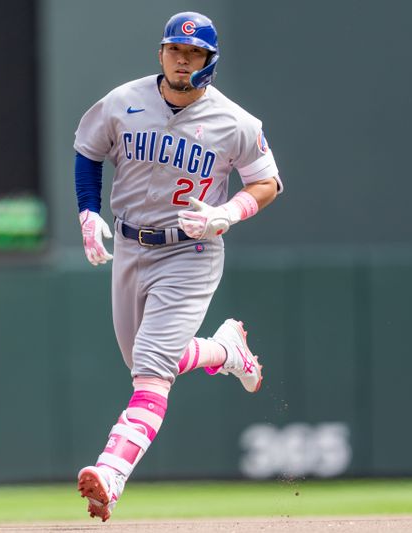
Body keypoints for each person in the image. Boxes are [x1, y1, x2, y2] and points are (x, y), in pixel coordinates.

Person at [73, 11, 283, 522]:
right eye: (174, 50)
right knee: (143, 359)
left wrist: (228, 212)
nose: (182, 59)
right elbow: (88, 150)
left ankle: (111, 473)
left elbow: (268, 181)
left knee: (150, 371)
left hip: (189, 252)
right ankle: (223, 351)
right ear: (161, 53)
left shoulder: (236, 122)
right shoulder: (123, 101)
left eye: (193, 54)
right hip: (129, 246)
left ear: (210, 62)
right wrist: (87, 210)